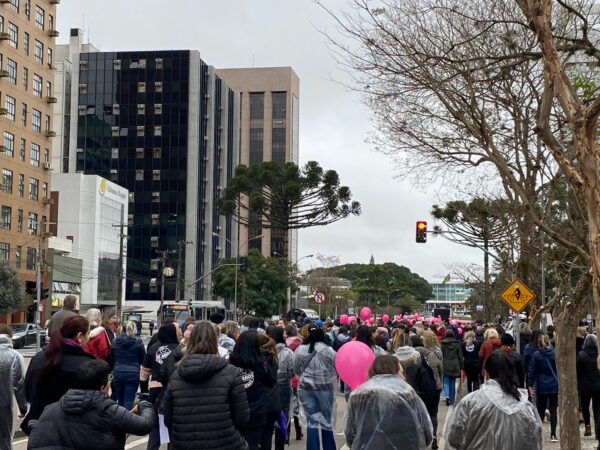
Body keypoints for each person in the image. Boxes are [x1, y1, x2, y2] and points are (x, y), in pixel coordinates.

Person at [27, 359, 154, 449]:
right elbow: (144, 425)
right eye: (109, 379)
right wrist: (145, 405)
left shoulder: (50, 410)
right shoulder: (110, 411)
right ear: (102, 387)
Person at [161, 321, 249, 450]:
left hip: (185, 443)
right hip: (225, 442)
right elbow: (242, 418)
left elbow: (168, 419)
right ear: (215, 341)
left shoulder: (176, 376)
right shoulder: (231, 373)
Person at [446, 350, 542, 450]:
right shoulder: (526, 406)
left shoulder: (471, 402)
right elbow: (535, 440)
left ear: (486, 373)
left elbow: (454, 438)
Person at [22, 316, 96, 434]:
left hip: (38, 426)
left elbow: (28, 392)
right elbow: (92, 401)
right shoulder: (87, 364)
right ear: (80, 336)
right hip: (72, 429)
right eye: (88, 335)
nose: (89, 339)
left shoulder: (39, 358)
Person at [345, 355, 432, 449]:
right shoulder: (407, 394)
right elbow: (426, 433)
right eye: (401, 372)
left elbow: (350, 436)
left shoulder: (357, 396)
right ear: (395, 372)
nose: (403, 377)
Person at [229, 331, 277, 450]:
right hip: (256, 410)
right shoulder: (261, 363)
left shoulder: (230, 364)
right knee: (253, 443)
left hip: (235, 411)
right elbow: (271, 381)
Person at [293, 323, 337, 450]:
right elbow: (336, 367)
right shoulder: (328, 350)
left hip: (306, 388)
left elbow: (296, 369)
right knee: (326, 422)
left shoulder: (300, 350)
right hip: (325, 388)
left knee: (312, 422)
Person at [140, 322, 181, 450]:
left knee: (155, 425)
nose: (180, 332)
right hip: (172, 391)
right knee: (172, 425)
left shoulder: (153, 348)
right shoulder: (179, 349)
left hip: (154, 390)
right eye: (178, 330)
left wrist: (144, 390)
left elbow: (144, 372)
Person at [394, 346, 439, 449]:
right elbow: (429, 387)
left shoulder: (400, 371)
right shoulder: (422, 368)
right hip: (423, 402)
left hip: (408, 405)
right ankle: (433, 438)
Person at [0, 324, 27, 450]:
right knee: (5, 437)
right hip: (4, 404)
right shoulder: (14, 356)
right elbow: (19, 384)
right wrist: (23, 407)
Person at [108, 321, 146, 410]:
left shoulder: (114, 341)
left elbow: (111, 357)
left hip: (117, 372)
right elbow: (143, 359)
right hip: (133, 373)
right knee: (129, 400)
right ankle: (127, 420)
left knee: (120, 399)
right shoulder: (138, 341)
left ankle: (119, 420)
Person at [267, 325, 294, 449]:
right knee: (281, 419)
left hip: (267, 387)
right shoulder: (288, 352)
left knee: (267, 420)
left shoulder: (265, 350)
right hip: (283, 387)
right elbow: (291, 372)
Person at [528, 334, 559, 442]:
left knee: (540, 410)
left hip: (541, 384)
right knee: (553, 410)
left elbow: (532, 371)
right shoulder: (555, 353)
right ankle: (553, 434)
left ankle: (539, 433)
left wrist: (530, 384)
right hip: (554, 384)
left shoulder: (536, 355)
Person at [577, 334, 600, 441]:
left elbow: (578, 371)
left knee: (585, 406)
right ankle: (597, 431)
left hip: (585, 385)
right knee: (597, 409)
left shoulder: (581, 355)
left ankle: (587, 426)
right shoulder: (598, 355)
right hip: (597, 385)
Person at [441, 329, 463, 406]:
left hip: (446, 363)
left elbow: (441, 355)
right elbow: (460, 356)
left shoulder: (442, 343)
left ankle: (447, 396)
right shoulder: (457, 344)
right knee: (453, 382)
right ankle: (452, 400)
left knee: (446, 380)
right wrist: (462, 366)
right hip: (455, 364)